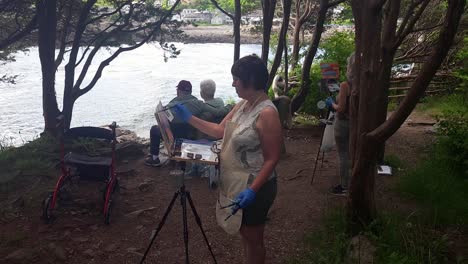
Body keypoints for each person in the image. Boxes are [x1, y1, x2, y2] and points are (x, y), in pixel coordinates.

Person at [172, 55, 282, 264]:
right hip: (237, 182)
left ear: (249, 80)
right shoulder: (243, 104)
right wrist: (189, 118)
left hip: (257, 186)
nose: (233, 83)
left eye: (236, 79)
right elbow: (218, 131)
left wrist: (253, 190)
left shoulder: (267, 113)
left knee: (254, 239)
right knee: (245, 235)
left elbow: (272, 158)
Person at [145, 80, 227, 167]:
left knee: (154, 129)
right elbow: (218, 112)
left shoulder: (171, 105)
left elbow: (165, 122)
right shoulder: (199, 103)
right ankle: (180, 162)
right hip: (190, 136)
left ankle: (154, 158)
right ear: (191, 92)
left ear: (178, 91)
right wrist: (232, 106)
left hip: (173, 137)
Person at [325, 53, 354, 195]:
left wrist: (332, 104)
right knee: (351, 153)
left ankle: (344, 186)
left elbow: (341, 108)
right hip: (355, 123)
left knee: (343, 154)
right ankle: (352, 181)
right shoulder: (363, 83)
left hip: (343, 122)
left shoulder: (345, 85)